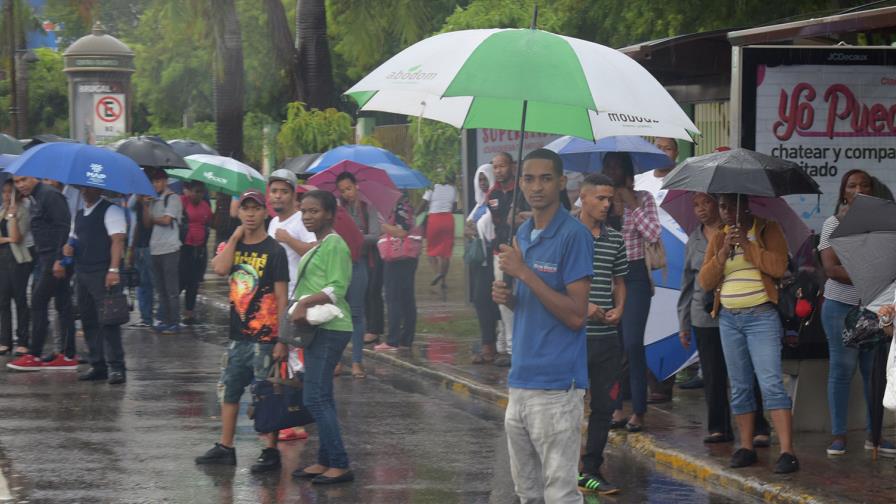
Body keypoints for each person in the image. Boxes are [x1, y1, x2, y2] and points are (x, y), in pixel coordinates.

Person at [492, 148, 592, 503]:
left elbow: (576, 315)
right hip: (520, 380)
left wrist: (524, 274)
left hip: (557, 386)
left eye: (546, 178)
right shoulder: (522, 232)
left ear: (561, 182)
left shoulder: (574, 235)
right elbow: (531, 303)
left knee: (560, 494)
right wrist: (510, 296)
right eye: (530, 178)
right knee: (527, 494)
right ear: (520, 183)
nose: (537, 187)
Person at [698, 193, 798, 474]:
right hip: (729, 318)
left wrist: (747, 245)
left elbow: (779, 267)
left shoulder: (767, 229)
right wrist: (721, 253)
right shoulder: (719, 236)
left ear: (746, 206)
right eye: (722, 207)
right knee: (740, 385)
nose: (727, 212)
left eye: (732, 205)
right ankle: (745, 447)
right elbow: (705, 280)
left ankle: (788, 451)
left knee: (770, 383)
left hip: (761, 316)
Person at [195, 190, 289, 473]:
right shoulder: (233, 246)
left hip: (265, 337)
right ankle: (226, 447)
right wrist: (235, 238)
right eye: (245, 209)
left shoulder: (275, 251)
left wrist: (282, 338)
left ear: (265, 213)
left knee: (265, 395)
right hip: (237, 336)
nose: (250, 214)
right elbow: (221, 269)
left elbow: (283, 297)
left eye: (256, 209)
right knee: (229, 389)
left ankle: (270, 450)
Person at [677, 193, 771, 445]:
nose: (700, 209)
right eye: (695, 204)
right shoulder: (694, 240)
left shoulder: (737, 233)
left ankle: (759, 427)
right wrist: (683, 323)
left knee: (746, 372)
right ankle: (718, 427)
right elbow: (688, 284)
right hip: (703, 314)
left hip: (734, 309)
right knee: (713, 373)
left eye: (706, 203)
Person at [818, 169, 896, 456]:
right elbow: (831, 269)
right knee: (842, 369)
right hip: (841, 306)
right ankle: (838, 435)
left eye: (865, 184)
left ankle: (873, 435)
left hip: (876, 307)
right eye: (852, 185)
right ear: (843, 192)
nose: (859, 188)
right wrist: (870, 274)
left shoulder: (885, 224)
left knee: (873, 372)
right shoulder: (833, 224)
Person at [289, 190, 355, 485]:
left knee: (314, 397)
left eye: (314, 211)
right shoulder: (320, 245)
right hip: (318, 328)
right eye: (304, 211)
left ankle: (340, 464)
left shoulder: (335, 244)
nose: (307, 216)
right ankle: (325, 460)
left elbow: (336, 289)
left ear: (329, 213)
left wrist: (304, 303)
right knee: (322, 396)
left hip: (332, 327)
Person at [602, 152, 661, 432]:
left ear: (626, 170)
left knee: (633, 343)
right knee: (612, 346)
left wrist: (631, 204)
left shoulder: (645, 199)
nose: (612, 171)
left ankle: (639, 410)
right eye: (608, 166)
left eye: (617, 166)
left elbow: (653, 234)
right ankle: (615, 408)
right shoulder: (600, 201)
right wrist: (607, 207)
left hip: (635, 275)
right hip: (606, 278)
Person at [577, 173, 626, 496]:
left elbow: (620, 280)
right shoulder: (566, 234)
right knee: (568, 405)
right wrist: (585, 306)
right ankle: (563, 466)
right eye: (600, 198)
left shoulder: (615, 239)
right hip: (573, 336)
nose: (607, 205)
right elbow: (555, 285)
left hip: (607, 335)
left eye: (610, 199)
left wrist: (620, 308)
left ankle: (590, 469)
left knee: (605, 407)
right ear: (583, 197)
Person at [7, 176, 76, 371]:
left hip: (54, 259)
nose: (20, 185)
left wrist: (59, 260)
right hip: (46, 257)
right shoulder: (36, 197)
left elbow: (63, 226)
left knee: (38, 302)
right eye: (16, 182)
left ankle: (34, 355)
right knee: (63, 304)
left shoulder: (49, 195)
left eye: (23, 180)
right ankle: (67, 355)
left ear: (34, 177)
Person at [64, 186, 128, 384]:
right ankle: (97, 364)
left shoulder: (111, 210)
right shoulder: (81, 213)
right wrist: (68, 248)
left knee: (109, 321)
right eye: (82, 188)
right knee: (88, 319)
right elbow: (74, 237)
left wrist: (113, 270)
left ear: (99, 190)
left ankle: (117, 367)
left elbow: (117, 241)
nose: (84, 192)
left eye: (89, 189)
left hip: (103, 272)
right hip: (82, 272)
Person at [486, 152, 531, 367]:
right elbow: (500, 222)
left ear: (512, 166)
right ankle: (509, 348)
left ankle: (519, 348)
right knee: (503, 298)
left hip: (523, 252)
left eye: (502, 166)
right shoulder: (492, 194)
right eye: (495, 167)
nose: (498, 171)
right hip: (501, 251)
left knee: (522, 297)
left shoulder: (522, 189)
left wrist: (520, 214)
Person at [336, 171, 380, 378]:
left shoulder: (367, 208)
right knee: (336, 314)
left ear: (357, 187)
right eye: (343, 190)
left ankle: (356, 361)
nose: (347, 193)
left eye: (349, 188)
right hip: (338, 266)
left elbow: (375, 236)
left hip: (359, 263)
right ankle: (337, 361)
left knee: (356, 313)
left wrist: (357, 236)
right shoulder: (336, 211)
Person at [374, 192, 418, 351]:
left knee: (393, 297)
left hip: (398, 257)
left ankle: (393, 340)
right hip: (406, 258)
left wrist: (383, 226)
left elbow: (401, 232)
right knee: (406, 298)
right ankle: (406, 339)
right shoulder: (404, 207)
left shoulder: (401, 208)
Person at [466, 164, 501, 364]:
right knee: (480, 302)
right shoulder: (479, 205)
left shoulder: (494, 203)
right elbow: (468, 227)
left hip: (491, 259)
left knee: (488, 301)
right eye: (479, 179)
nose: (482, 183)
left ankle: (492, 345)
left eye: (485, 178)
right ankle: (488, 343)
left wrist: (473, 230)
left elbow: (484, 228)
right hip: (478, 262)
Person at [142, 167, 182, 334]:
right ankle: (165, 320)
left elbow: (166, 220)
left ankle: (174, 322)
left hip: (170, 248)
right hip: (155, 248)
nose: (155, 184)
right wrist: (145, 206)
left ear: (165, 181)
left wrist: (152, 218)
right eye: (153, 181)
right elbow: (146, 224)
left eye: (158, 181)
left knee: (171, 289)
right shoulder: (153, 200)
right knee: (160, 288)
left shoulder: (172, 199)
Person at [0, 180, 32, 356]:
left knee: (20, 300)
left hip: (18, 260)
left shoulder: (22, 211)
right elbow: (7, 239)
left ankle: (22, 341)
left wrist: (12, 218)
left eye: (9, 192)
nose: (6, 196)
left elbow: (17, 238)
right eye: (4, 192)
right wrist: (7, 239)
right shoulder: (1, 211)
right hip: (2, 259)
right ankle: (4, 340)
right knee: (3, 301)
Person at [179, 181, 213, 324]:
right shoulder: (182, 202)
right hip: (184, 248)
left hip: (199, 249)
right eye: (196, 191)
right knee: (180, 281)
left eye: (201, 192)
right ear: (189, 191)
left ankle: (189, 313)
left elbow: (210, 222)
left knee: (194, 282)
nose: (198, 195)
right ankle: (170, 312)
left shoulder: (205, 206)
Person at [421, 174, 458, 291]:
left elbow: (422, 204)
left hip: (434, 220)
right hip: (448, 219)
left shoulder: (432, 187)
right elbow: (454, 207)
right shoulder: (454, 188)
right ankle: (443, 281)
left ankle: (437, 273)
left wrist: (414, 216)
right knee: (445, 254)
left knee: (431, 252)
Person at [127, 192, 154, 328]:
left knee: (146, 283)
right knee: (143, 283)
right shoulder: (137, 200)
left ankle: (148, 317)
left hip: (146, 246)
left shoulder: (147, 201)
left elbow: (143, 224)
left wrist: (132, 248)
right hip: (141, 245)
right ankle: (146, 316)